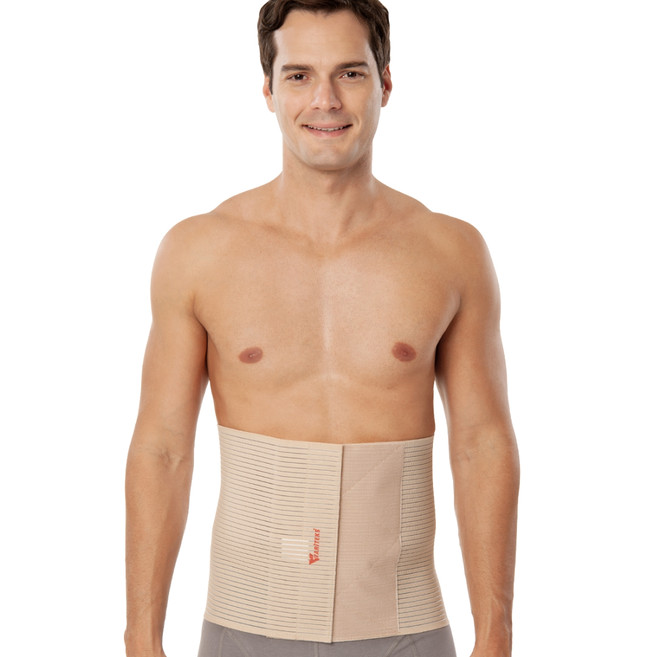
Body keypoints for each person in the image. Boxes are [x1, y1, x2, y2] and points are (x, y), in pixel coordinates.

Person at [124, 1, 520, 656]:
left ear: (385, 83)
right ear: (268, 89)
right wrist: (141, 638)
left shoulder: (450, 252)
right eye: (300, 75)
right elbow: (162, 447)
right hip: (244, 631)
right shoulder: (199, 252)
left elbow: (482, 445)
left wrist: (496, 634)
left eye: (350, 73)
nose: (325, 100)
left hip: (406, 634)